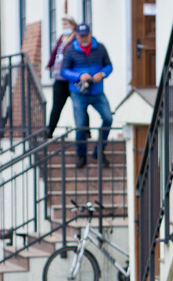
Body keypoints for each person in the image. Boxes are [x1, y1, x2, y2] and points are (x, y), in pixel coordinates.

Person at [60, 23, 113, 168]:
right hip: (79, 94)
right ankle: (81, 155)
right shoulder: (70, 51)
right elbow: (64, 71)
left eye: (86, 35)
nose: (83, 38)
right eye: (80, 35)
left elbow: (109, 66)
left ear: (90, 34)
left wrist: (102, 74)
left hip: (97, 92)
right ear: (76, 35)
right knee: (81, 125)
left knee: (108, 118)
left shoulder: (100, 48)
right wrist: (79, 76)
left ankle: (99, 151)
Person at [45, 15, 78, 139]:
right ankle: (50, 130)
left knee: (79, 105)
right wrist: (50, 64)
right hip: (59, 79)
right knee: (57, 106)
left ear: (73, 26)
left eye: (67, 25)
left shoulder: (75, 38)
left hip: (72, 79)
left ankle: (85, 131)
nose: (64, 27)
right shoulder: (61, 38)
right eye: (63, 25)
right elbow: (54, 53)